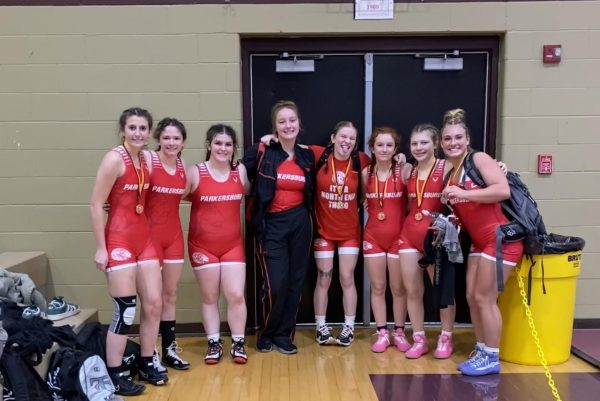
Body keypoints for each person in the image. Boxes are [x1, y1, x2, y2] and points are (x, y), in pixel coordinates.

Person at [440, 108, 523, 376]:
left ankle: (492, 357)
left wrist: (463, 193)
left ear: (467, 139)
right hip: (479, 242)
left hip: (501, 239)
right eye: (448, 138)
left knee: (486, 298)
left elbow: (502, 190)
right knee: (472, 297)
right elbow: (468, 210)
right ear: (441, 143)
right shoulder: (451, 173)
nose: (453, 142)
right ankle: (482, 349)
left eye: (458, 137)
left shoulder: (479, 159)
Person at [90, 107, 167, 396]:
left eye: (143, 128)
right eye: (132, 128)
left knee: (154, 304)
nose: (137, 133)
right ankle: (115, 371)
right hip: (119, 240)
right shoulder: (114, 158)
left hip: (143, 238)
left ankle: (147, 360)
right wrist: (101, 248)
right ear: (122, 130)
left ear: (149, 132)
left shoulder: (146, 158)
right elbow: (96, 204)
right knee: (125, 310)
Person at [242, 100, 315, 355]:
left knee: (296, 283)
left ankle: (284, 334)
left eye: (292, 120)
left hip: (300, 224)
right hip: (271, 225)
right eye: (282, 121)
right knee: (276, 284)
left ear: (299, 123)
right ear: (275, 126)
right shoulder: (262, 150)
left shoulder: (307, 154)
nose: (288, 125)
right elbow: (237, 170)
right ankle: (267, 332)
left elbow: (340, 151)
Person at [187, 124, 250, 364]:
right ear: (209, 145)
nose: (223, 148)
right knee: (209, 296)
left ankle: (238, 341)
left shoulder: (240, 171)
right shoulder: (195, 172)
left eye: (228, 144)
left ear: (234, 148)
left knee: (235, 294)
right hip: (202, 247)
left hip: (232, 245)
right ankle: (213, 342)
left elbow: (252, 191)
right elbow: (168, 197)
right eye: (218, 143)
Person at [397, 123, 457, 359]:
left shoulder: (447, 166)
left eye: (424, 142)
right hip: (409, 234)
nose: (419, 147)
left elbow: (473, 170)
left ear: (435, 144)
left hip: (435, 238)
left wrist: (499, 166)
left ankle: (446, 337)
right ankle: (419, 338)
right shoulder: (408, 170)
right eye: (414, 143)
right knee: (412, 290)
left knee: (442, 291)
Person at [311, 122, 370, 346]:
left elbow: (386, 163)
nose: (347, 142)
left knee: (347, 278)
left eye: (352, 139)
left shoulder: (362, 160)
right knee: (324, 278)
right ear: (334, 137)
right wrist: (270, 138)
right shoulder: (318, 154)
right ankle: (321, 326)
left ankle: (348, 327)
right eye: (343, 137)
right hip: (323, 231)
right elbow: (290, 147)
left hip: (349, 232)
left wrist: (401, 160)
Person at [143, 118, 190, 371]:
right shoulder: (149, 160)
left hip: (173, 238)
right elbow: (128, 189)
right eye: (167, 138)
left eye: (176, 138)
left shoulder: (183, 166)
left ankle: (169, 350)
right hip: (148, 239)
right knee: (153, 301)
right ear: (158, 139)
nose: (171, 143)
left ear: (183, 142)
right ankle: (148, 354)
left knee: (170, 295)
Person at [361, 126, 412, 353]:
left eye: (389, 145)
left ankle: (399, 331)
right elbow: (364, 200)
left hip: (398, 237)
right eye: (379, 145)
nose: (384, 149)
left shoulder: (404, 170)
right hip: (373, 236)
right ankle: (382, 332)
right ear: (372, 147)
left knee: (398, 287)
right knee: (378, 286)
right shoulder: (365, 174)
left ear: (395, 148)